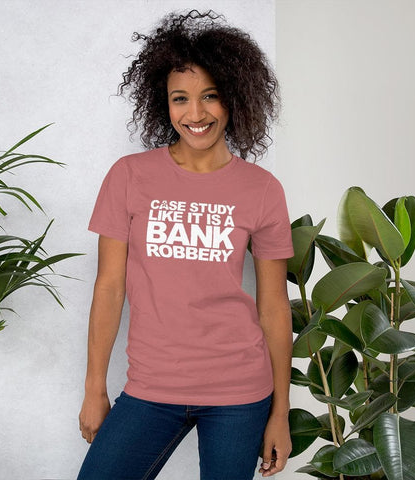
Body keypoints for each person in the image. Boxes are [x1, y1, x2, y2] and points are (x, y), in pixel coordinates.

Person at [77, 10, 293, 480]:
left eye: (210, 96)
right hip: (152, 386)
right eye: (181, 99)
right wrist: (95, 385)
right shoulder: (129, 177)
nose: (195, 114)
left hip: (240, 392)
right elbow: (110, 288)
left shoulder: (262, 189)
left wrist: (280, 412)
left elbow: (274, 306)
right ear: (164, 104)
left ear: (234, 98)